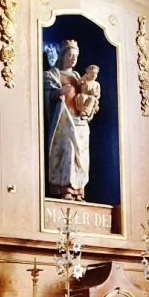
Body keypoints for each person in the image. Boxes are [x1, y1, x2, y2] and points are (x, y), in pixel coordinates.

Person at [44, 40, 99, 200]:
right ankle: (65, 189)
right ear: (63, 55)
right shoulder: (52, 75)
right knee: (67, 152)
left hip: (79, 121)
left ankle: (79, 191)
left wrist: (90, 107)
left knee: (81, 155)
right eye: (70, 54)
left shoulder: (78, 78)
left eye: (76, 56)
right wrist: (59, 92)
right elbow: (47, 96)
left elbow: (89, 95)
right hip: (63, 120)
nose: (73, 58)